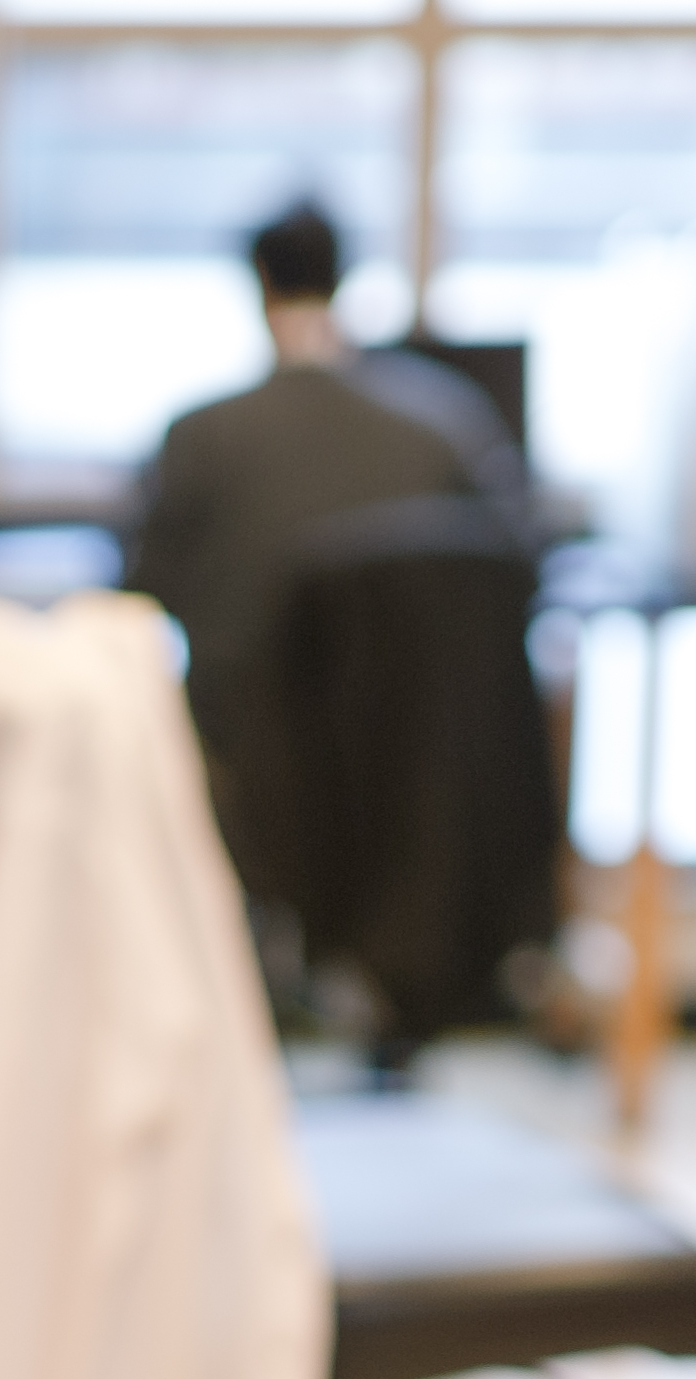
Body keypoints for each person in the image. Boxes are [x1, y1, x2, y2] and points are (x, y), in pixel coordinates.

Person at [123, 201, 536, 913]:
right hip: (412, 763)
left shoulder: (201, 438)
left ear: (258, 283)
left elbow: (139, 593)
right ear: (344, 277)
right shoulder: (448, 426)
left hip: (254, 765)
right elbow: (513, 575)